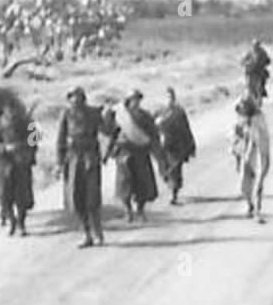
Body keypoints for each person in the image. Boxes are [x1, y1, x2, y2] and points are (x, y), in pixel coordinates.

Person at [56, 86, 106, 247]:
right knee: (76, 198)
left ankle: (97, 232)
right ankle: (86, 233)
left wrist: (109, 119)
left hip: (90, 157)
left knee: (92, 198)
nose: (75, 100)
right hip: (72, 159)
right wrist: (59, 162)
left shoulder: (93, 113)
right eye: (72, 97)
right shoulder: (65, 115)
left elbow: (107, 131)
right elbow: (60, 139)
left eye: (78, 96)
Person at [107, 89, 161, 222]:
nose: (136, 102)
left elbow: (153, 134)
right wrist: (109, 151)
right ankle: (128, 210)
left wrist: (157, 152)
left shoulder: (145, 115)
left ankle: (140, 210)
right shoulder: (120, 116)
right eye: (133, 99)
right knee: (125, 184)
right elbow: (111, 133)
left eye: (138, 99)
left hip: (140, 153)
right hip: (124, 154)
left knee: (142, 183)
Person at [0, 107, 36, 236]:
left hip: (21, 163)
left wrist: (25, 149)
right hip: (4, 165)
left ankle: (21, 223)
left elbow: (35, 138)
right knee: (4, 196)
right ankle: (12, 221)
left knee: (22, 196)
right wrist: (4, 148)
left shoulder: (27, 121)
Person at [232, 90, 271, 221]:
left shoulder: (259, 119)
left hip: (260, 151)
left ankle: (257, 211)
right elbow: (237, 136)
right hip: (248, 152)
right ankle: (250, 205)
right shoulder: (243, 120)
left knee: (258, 182)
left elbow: (262, 139)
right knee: (244, 183)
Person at [154, 87, 197, 205]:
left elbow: (185, 128)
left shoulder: (179, 112)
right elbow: (152, 128)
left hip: (177, 146)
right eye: (167, 96)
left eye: (171, 96)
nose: (169, 99)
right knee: (164, 170)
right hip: (163, 147)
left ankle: (174, 195)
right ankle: (170, 184)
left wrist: (191, 144)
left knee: (175, 170)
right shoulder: (159, 112)